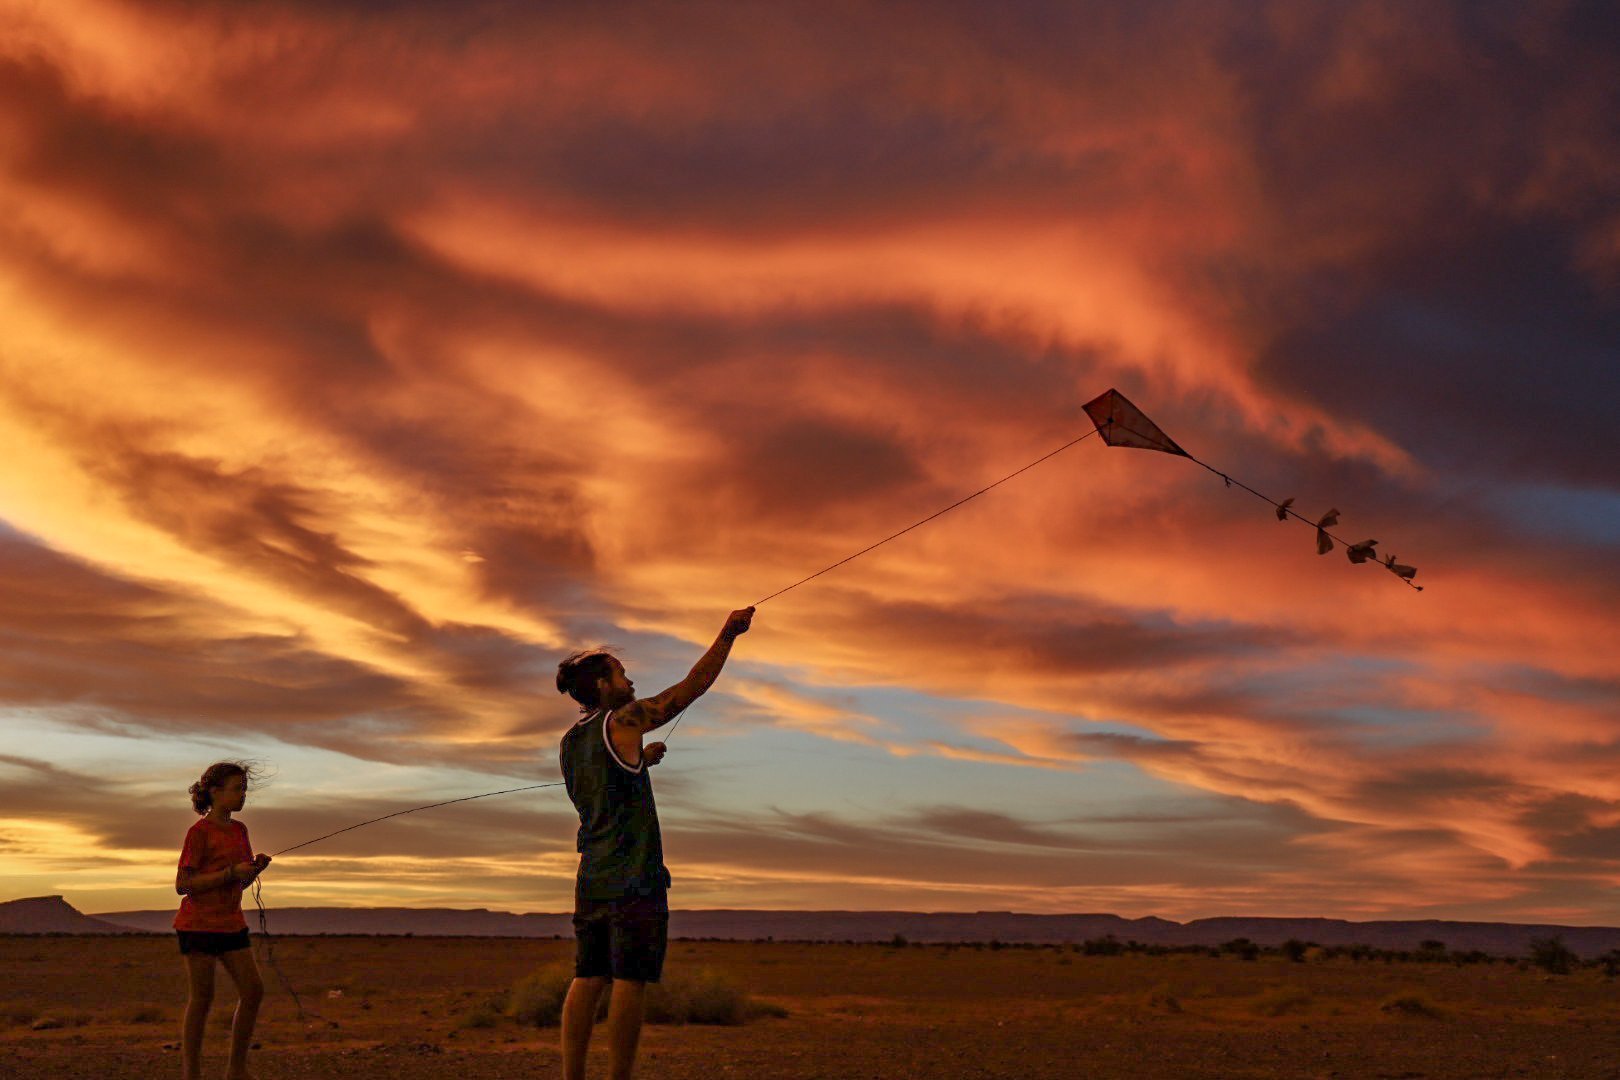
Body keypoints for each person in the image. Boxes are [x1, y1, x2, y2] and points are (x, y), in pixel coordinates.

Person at [554, 606, 755, 1080]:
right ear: (603, 686)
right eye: (622, 674)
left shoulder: (569, 740)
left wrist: (640, 759)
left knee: (587, 976)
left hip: (592, 876)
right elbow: (689, 689)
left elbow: (603, 788)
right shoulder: (624, 719)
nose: (631, 681)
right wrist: (727, 634)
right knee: (629, 980)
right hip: (634, 876)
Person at [173, 762, 272, 1080]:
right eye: (237, 788)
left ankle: (237, 1070)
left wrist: (253, 871)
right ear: (214, 792)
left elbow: (238, 884)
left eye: (244, 789)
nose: (242, 795)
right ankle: (192, 1074)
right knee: (202, 999)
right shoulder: (199, 833)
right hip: (198, 925)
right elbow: (183, 885)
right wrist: (230, 872)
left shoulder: (240, 830)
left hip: (232, 923)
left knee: (253, 991)